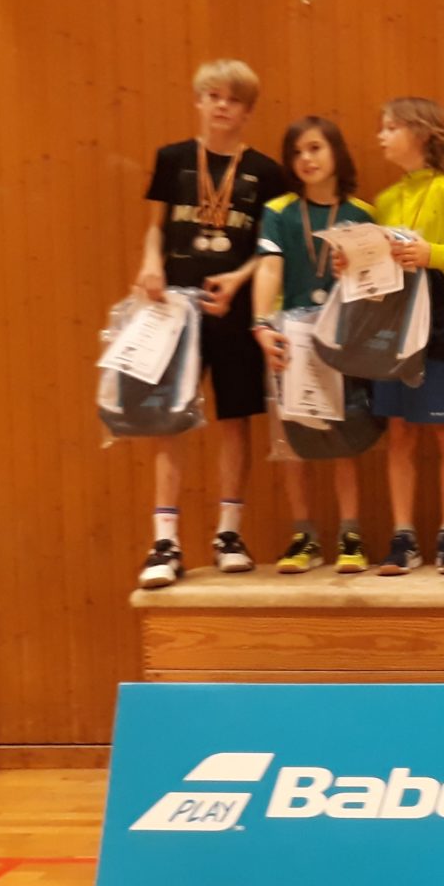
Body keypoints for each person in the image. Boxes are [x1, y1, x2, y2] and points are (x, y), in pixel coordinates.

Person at [133, 58, 286, 588]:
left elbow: (269, 247)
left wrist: (241, 279)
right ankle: (165, 541)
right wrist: (151, 264)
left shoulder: (266, 172)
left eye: (234, 100)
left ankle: (228, 532)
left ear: (247, 111)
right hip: (174, 307)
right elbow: (155, 231)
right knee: (169, 418)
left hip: (233, 310)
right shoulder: (172, 159)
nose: (222, 106)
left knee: (235, 419)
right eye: (213, 96)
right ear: (198, 101)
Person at [369, 97, 444, 575]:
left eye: (390, 126)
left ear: (421, 133)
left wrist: (432, 253)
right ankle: (403, 537)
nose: (381, 136)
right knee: (398, 432)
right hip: (394, 324)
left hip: (440, 320)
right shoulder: (383, 201)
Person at [251, 117, 375, 574]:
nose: (306, 158)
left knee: (344, 439)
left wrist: (355, 275)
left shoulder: (362, 214)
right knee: (294, 441)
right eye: (297, 152)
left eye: (315, 148)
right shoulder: (280, 211)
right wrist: (262, 326)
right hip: (292, 336)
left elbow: (376, 286)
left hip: (342, 337)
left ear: (337, 152)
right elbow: (268, 269)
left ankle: (351, 536)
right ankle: (303, 536)